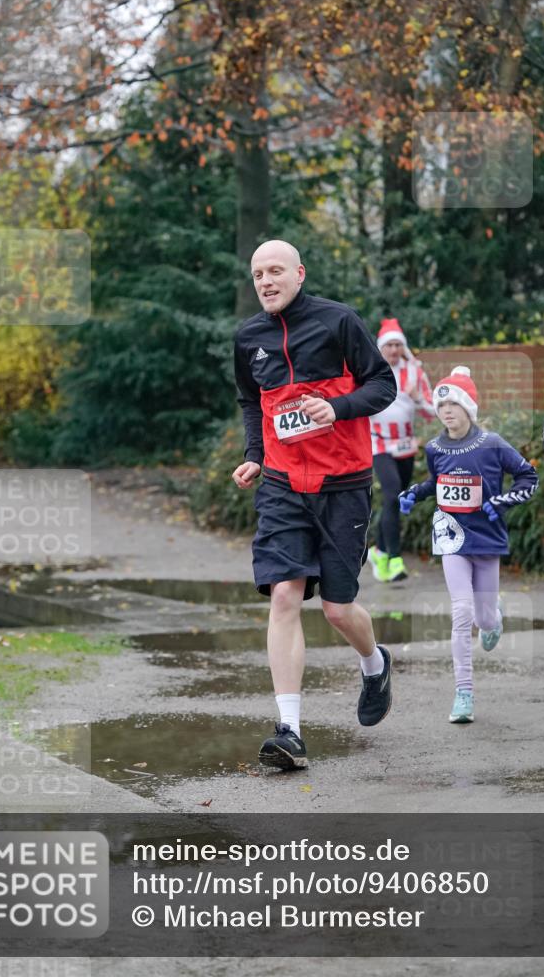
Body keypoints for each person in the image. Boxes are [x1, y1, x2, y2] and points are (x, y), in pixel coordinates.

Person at [232, 239, 397, 770]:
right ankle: (289, 730)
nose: (266, 281)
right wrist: (256, 455)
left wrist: (336, 408)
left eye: (275, 271)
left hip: (342, 484)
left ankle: (374, 665)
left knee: (338, 609)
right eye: (258, 274)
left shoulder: (339, 322)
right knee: (284, 594)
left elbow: (383, 385)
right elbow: (250, 402)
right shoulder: (249, 338)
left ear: (299, 273)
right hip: (282, 484)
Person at [399, 366, 538, 723]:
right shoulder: (434, 447)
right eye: (441, 404)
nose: (446, 411)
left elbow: (529, 477)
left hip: (487, 539)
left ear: (468, 408)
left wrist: (502, 502)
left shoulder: (492, 443)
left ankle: (494, 619)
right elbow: (436, 481)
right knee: (461, 612)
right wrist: (415, 493)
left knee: (484, 617)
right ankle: (464, 694)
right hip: (451, 537)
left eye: (453, 404)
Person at [368, 318, 434, 583]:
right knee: (393, 493)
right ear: (380, 348)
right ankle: (395, 559)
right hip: (378, 443)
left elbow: (432, 411)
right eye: (389, 345)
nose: (393, 350)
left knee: (395, 499)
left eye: (397, 345)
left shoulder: (415, 373)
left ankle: (379, 551)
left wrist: (417, 397)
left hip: (406, 444)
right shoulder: (371, 371)